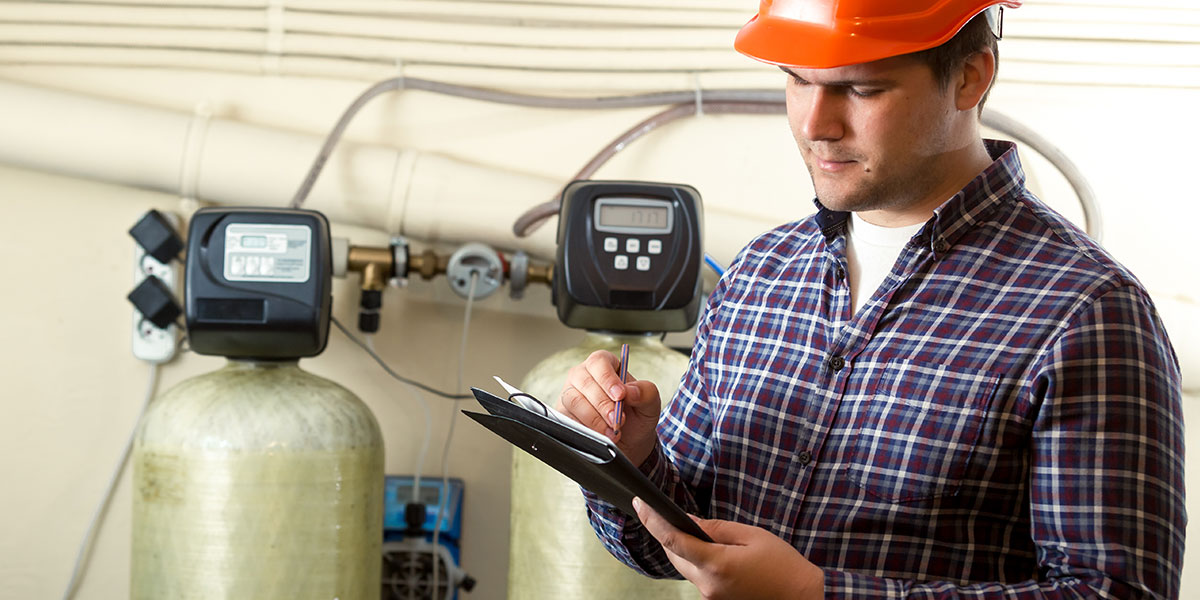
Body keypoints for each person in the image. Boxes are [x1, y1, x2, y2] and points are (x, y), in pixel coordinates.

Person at [557, 1, 1186, 598]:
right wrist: (631, 457)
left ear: (970, 76)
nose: (814, 125)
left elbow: (1114, 590)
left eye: (860, 89)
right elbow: (678, 544)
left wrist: (819, 594)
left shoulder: (1089, 313)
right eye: (797, 80)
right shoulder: (760, 273)